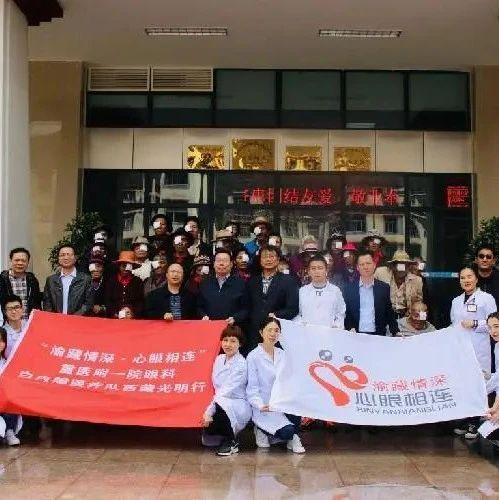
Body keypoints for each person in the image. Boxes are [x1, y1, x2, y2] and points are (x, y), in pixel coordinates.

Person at [246, 317, 305, 453]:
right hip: (264, 405)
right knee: (286, 431)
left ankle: (294, 437)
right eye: (269, 330)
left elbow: (289, 381)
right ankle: (261, 429)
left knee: (296, 405)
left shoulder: (283, 355)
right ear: (261, 332)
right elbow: (252, 388)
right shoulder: (253, 356)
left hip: (281, 403)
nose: (273, 334)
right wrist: (260, 405)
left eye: (276, 330)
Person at [451, 266, 497, 439]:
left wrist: (475, 323)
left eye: (469, 276)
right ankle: (466, 419)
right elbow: (453, 325)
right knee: (464, 385)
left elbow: (494, 322)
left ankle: (475, 422)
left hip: (479, 349)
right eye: (462, 278)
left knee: (479, 385)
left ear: (476, 279)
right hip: (461, 350)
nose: (466, 280)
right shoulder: (456, 301)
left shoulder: (486, 298)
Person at [202, 325, 251, 456]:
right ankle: (223, 434)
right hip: (218, 400)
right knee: (209, 431)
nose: (228, 344)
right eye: (225, 340)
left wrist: (208, 412)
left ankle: (231, 441)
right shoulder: (219, 359)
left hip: (235, 403)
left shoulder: (241, 364)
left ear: (240, 344)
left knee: (220, 407)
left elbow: (226, 390)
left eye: (233, 341)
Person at [246, 245, 299, 351]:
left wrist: (276, 315)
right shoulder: (252, 282)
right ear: (260, 260)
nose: (268, 259)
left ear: (278, 259)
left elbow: (293, 308)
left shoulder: (288, 281)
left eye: (271, 256)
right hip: (254, 333)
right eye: (265, 257)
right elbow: (247, 306)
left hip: (278, 333)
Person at [344, 251, 399, 336]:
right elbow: (346, 312)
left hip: (378, 335)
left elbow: (389, 312)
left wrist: (396, 331)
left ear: (374, 265)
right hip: (355, 335)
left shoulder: (384, 288)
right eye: (362, 264)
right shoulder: (349, 289)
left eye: (368, 263)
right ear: (357, 267)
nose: (365, 267)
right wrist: (349, 327)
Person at [198, 249, 249, 326]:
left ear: (231, 264)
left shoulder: (240, 284)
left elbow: (246, 308)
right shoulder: (205, 284)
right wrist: (203, 315)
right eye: (218, 261)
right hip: (209, 327)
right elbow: (199, 306)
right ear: (214, 264)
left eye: (225, 261)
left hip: (231, 329)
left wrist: (235, 318)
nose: (221, 263)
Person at [296, 255, 346, 329]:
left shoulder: (335, 291)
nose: (317, 271)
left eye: (320, 268)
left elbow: (341, 313)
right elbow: (297, 313)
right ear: (309, 271)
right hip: (306, 332)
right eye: (313, 268)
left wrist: (336, 327)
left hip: (329, 333)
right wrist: (301, 325)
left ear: (326, 270)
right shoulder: (302, 291)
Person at [43, 244, 94, 315]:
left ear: (75, 258)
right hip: (56, 320)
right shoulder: (51, 280)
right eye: (62, 255)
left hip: (77, 320)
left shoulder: (86, 279)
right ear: (58, 258)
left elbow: (88, 304)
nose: (66, 257)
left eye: (69, 254)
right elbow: (47, 304)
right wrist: (54, 318)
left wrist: (73, 318)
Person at [375, 250, 423, 318]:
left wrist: (412, 313)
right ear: (393, 266)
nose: (402, 269)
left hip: (405, 316)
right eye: (399, 265)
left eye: (405, 265)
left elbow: (419, 303)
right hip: (384, 315)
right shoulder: (381, 273)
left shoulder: (417, 280)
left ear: (408, 266)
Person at [0, 247, 41, 319]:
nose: (20, 263)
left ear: (28, 262)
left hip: (28, 321)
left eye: (23, 261)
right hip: (7, 322)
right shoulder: (2, 280)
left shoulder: (32, 280)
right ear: (11, 261)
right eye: (17, 260)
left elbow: (37, 303)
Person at [104, 251, 144, 319]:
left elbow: (140, 301)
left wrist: (133, 313)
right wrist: (114, 313)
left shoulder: (138, 281)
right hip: (114, 318)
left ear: (132, 267)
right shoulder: (111, 281)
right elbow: (108, 300)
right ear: (119, 266)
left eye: (128, 266)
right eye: (123, 265)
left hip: (132, 318)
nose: (126, 268)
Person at [0, 327, 22, 446]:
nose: (0, 344)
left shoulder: (8, 363)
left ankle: (9, 431)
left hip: (5, 405)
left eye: (2, 340)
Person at [485, 313, 499, 425]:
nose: (493, 331)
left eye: (496, 326)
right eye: (489, 328)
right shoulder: (497, 346)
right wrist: (495, 407)